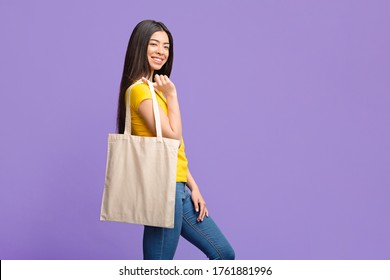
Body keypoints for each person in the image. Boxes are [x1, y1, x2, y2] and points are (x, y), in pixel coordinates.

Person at [116, 20, 235, 260]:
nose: (161, 51)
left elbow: (174, 151)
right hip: (162, 189)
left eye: (166, 46)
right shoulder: (139, 91)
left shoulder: (152, 89)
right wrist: (172, 95)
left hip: (178, 186)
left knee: (223, 254)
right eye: (154, 44)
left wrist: (193, 186)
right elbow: (173, 136)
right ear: (140, 47)